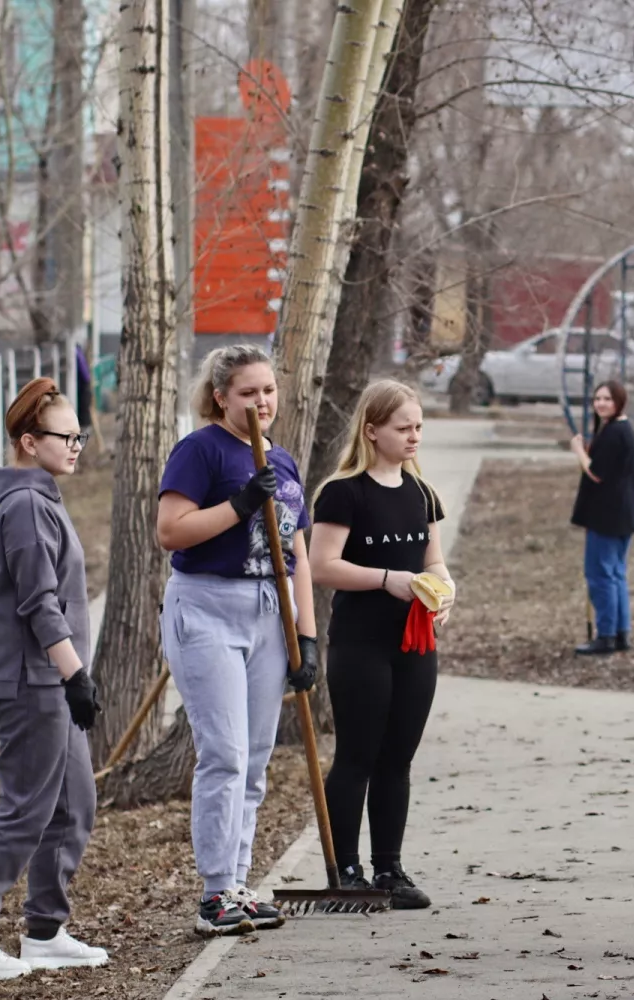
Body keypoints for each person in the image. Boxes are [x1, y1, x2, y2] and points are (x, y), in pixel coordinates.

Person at [157, 344, 320, 937]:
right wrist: (239, 503)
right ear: (221, 396)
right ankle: (212, 894)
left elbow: (297, 550)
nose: (262, 402)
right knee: (224, 754)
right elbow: (170, 531)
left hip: (268, 614)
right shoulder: (200, 450)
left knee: (253, 760)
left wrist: (306, 634)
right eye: (249, 393)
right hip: (206, 608)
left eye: (269, 390)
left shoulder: (283, 459)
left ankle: (238, 883)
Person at [309, 380, 456, 911]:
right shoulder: (343, 492)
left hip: (415, 643)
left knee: (398, 756)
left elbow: (433, 560)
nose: (414, 435)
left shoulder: (422, 493)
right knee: (358, 754)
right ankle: (344, 869)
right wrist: (387, 578)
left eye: (418, 426)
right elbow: (323, 565)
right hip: (359, 644)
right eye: (403, 427)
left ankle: (388, 867)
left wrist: (444, 588)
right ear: (372, 431)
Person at [0, 379, 107, 978]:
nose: (77, 446)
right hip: (31, 680)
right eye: (67, 437)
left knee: (72, 803)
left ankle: (44, 931)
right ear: (28, 441)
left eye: (79, 436)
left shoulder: (42, 497)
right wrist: (76, 676)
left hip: (50, 680)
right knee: (25, 810)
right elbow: (39, 603)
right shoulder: (24, 506)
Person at [570, 381, 634, 655]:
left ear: (619, 402)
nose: (601, 404)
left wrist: (578, 450)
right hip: (622, 516)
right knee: (615, 574)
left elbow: (596, 472)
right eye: (597, 398)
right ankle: (621, 634)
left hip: (607, 517)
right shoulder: (623, 430)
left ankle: (606, 635)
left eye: (607, 399)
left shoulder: (614, 433)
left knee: (600, 575)